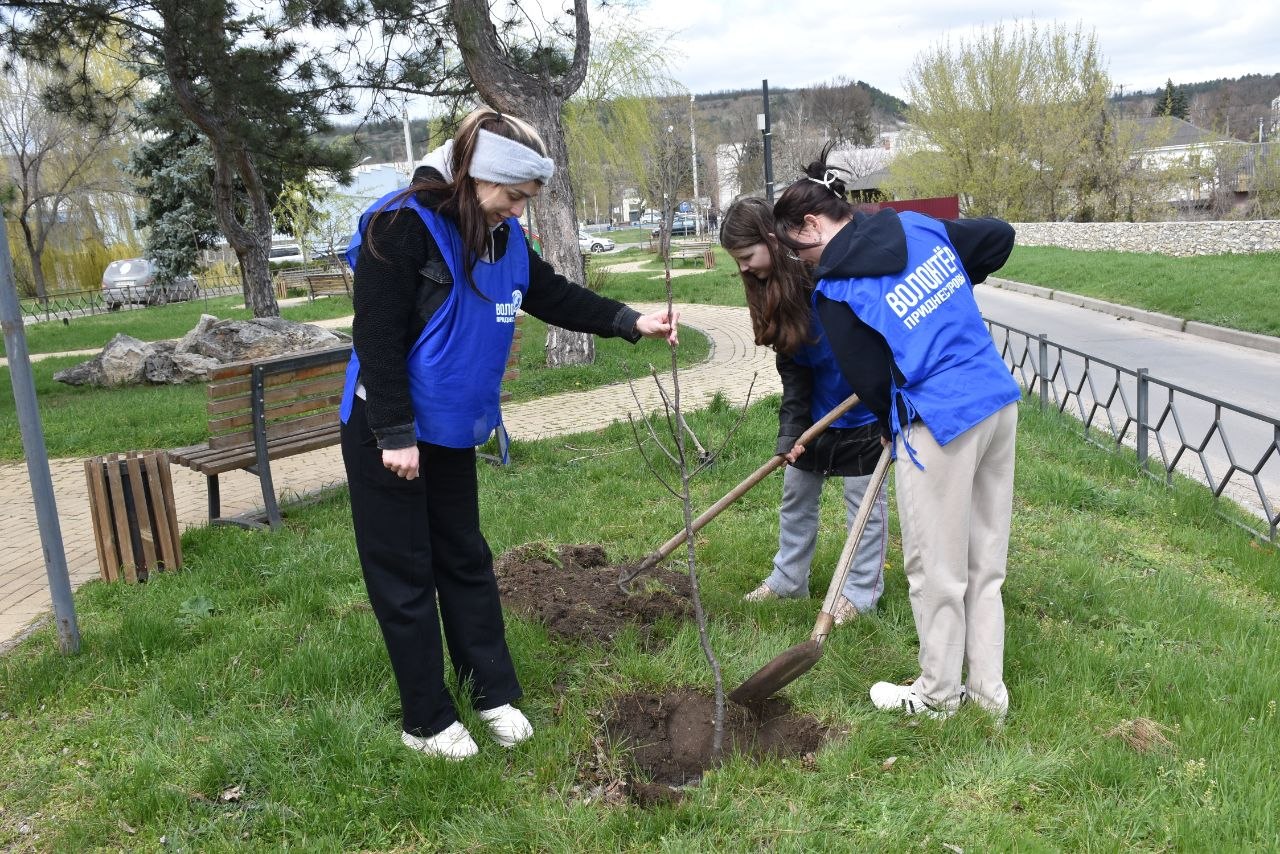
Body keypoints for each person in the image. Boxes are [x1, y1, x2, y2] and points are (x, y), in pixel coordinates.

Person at [339, 107, 680, 760]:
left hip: (450, 430)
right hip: (390, 430)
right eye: (514, 196)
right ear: (476, 176)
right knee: (405, 573)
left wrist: (628, 320)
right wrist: (394, 433)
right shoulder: (399, 225)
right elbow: (375, 338)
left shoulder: (502, 236)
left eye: (527, 199)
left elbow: (550, 294)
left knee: (464, 558)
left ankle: (490, 692)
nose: (519, 211)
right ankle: (426, 720)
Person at [770, 145, 1019, 722]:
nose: (803, 262)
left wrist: (890, 425)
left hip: (939, 422)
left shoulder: (835, 289)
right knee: (985, 563)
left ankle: (937, 697)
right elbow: (998, 235)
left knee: (935, 570)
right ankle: (988, 696)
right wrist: (947, 293)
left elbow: (867, 378)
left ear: (813, 224)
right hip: (995, 399)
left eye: (798, 249)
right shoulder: (917, 226)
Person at [719, 197, 888, 623]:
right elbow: (794, 370)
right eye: (737, 261)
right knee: (795, 496)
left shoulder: (827, 275)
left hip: (866, 412)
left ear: (772, 240)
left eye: (747, 256)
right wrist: (791, 431)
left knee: (864, 507)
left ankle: (860, 593)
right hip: (818, 414)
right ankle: (788, 581)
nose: (743, 268)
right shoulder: (773, 293)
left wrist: (884, 400)